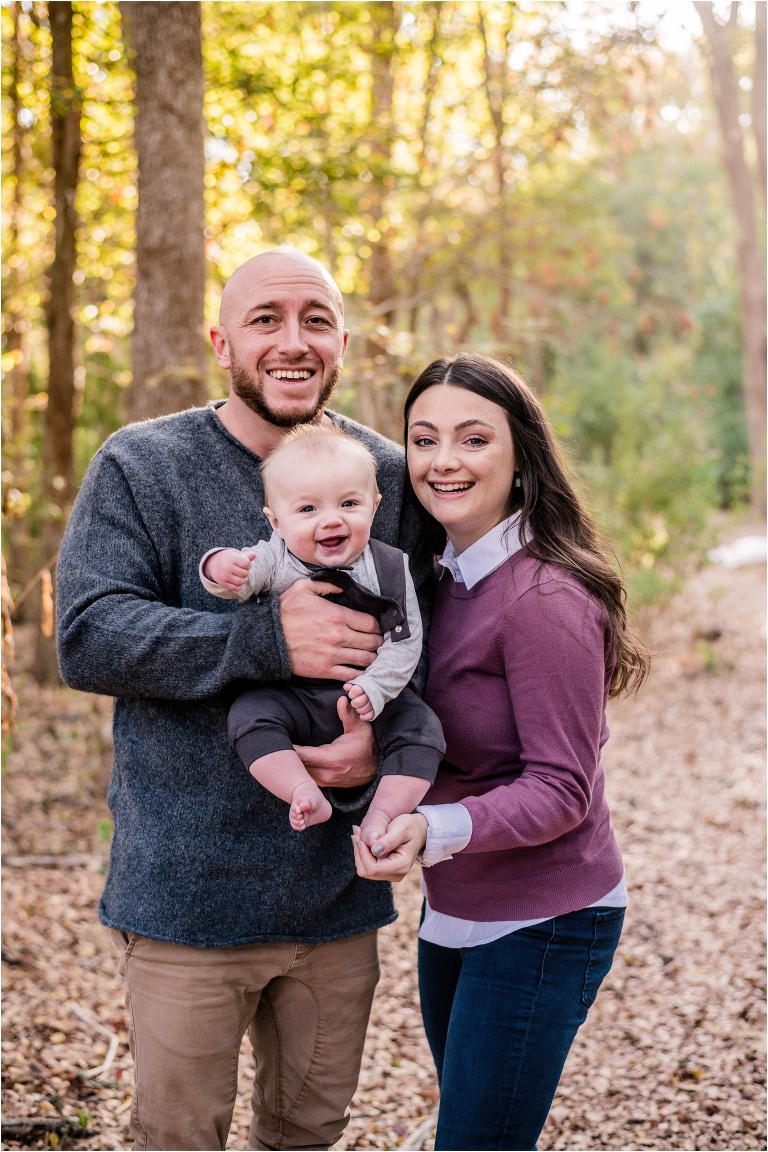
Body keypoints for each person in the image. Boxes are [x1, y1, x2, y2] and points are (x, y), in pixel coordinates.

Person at [56, 247, 436, 1152]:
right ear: (223, 340)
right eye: (266, 319)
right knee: (180, 1137)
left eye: (316, 319)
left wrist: (381, 748)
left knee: (307, 1131)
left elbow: (430, 647)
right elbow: (87, 632)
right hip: (188, 900)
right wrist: (261, 639)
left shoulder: (385, 474)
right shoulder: (142, 465)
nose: (293, 341)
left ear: (343, 339)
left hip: (333, 903)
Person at [353, 353, 650, 1152]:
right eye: (424, 439)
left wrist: (432, 828)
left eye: (473, 438)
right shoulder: (438, 580)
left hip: (547, 916)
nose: (444, 460)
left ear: (521, 459)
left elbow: (563, 789)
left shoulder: (544, 597)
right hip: (455, 907)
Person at [200, 422, 444, 836]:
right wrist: (219, 567)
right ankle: (301, 791)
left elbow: (406, 640)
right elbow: (239, 580)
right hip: (292, 695)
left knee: (423, 729)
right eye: (308, 510)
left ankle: (383, 816)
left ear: (375, 505)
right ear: (276, 522)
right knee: (248, 715)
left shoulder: (387, 566)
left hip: (366, 696)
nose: (330, 521)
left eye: (349, 504)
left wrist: (378, 687)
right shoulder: (276, 559)